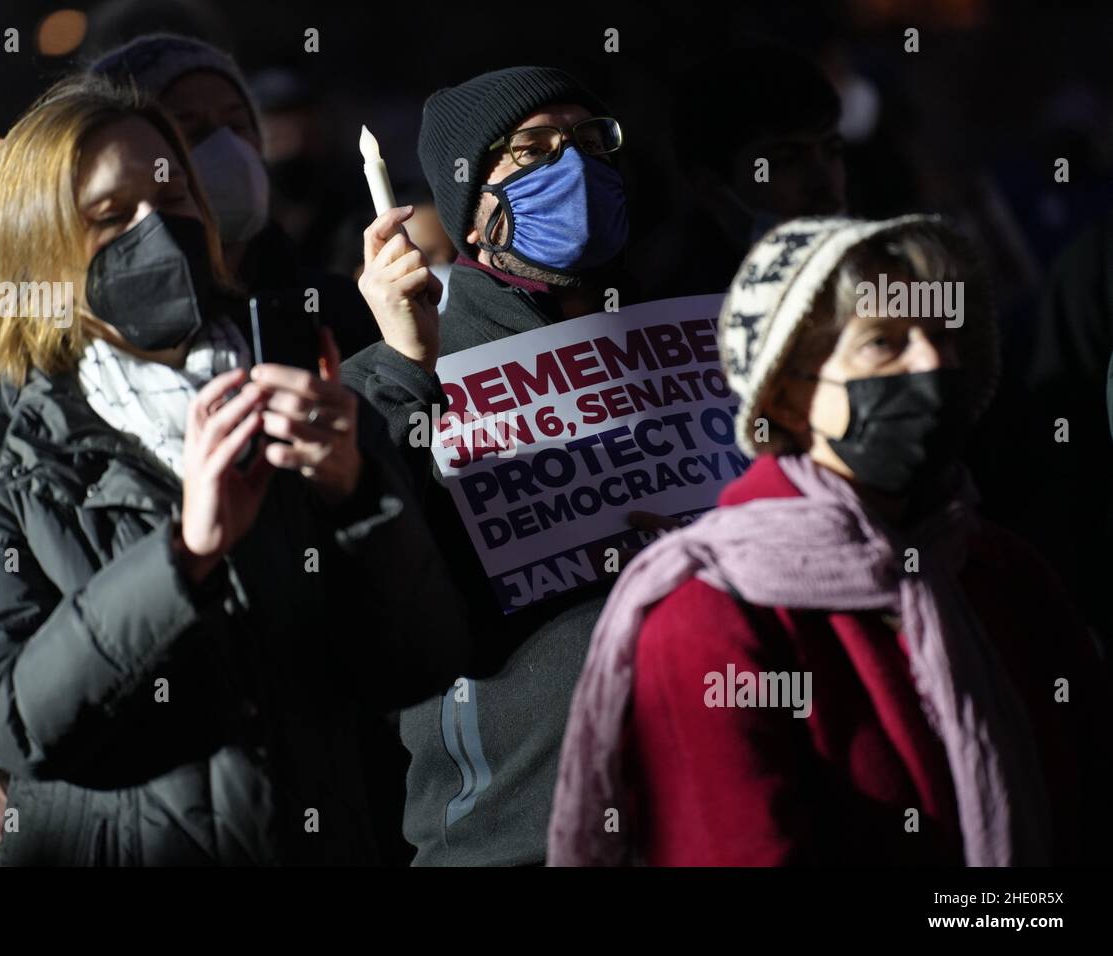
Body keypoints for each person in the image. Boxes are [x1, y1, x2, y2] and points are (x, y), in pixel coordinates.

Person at [0, 75, 467, 865]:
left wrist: (358, 495)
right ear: (39, 244)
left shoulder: (288, 390)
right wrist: (182, 554)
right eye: (111, 215)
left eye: (174, 200)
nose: (155, 229)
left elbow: (422, 658)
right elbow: (7, 719)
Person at [548, 215, 1113, 866]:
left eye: (942, 335)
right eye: (883, 343)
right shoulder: (711, 617)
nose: (933, 363)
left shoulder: (1005, 573)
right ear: (786, 398)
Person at [343, 66, 632, 865]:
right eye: (532, 150)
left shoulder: (673, 344)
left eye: (587, 143)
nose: (571, 166)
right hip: (508, 833)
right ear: (470, 202)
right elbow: (358, 567)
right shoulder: (391, 378)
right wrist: (408, 363)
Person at [639, 47, 846, 300]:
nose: (823, 182)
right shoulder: (667, 309)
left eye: (833, 151)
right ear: (712, 190)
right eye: (786, 160)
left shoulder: (884, 281)